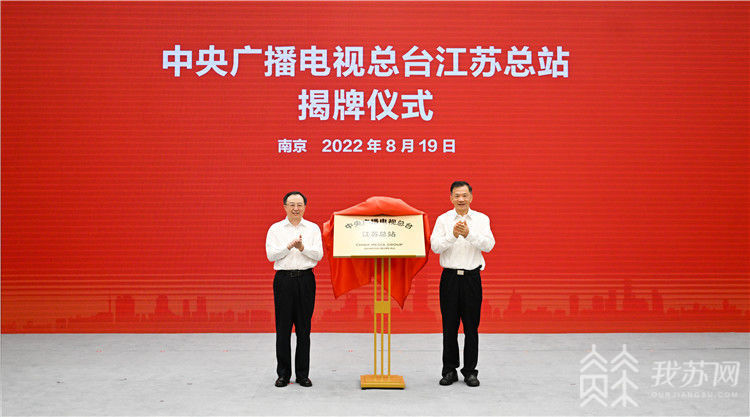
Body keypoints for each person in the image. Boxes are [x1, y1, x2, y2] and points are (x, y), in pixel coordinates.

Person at [430, 181, 495, 387]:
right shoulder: (443, 220)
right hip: (449, 279)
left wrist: (468, 234)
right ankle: (449, 370)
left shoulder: (482, 219)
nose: (461, 199)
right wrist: (453, 235)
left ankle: (470, 372)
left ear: (471, 197)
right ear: (451, 198)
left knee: (471, 327)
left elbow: (489, 245)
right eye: (457, 195)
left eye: (464, 195)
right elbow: (435, 247)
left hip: (471, 279)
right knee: (449, 327)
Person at [265, 191, 323, 387]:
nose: (295, 208)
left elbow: (318, 255)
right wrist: (289, 247)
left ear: (305, 207)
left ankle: (302, 375)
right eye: (291, 204)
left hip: (306, 280)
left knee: (304, 330)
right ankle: (283, 374)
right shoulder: (275, 229)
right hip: (283, 281)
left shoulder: (313, 228)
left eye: (299, 205)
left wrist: (302, 248)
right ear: (285, 207)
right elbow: (271, 255)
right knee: (282, 329)